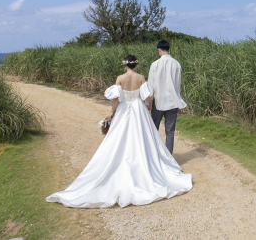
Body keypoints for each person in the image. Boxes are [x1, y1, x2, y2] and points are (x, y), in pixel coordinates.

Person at [45, 55, 192, 208]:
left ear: (125, 65)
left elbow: (116, 98)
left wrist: (112, 112)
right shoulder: (141, 78)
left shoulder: (120, 78)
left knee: (118, 138)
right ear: (136, 65)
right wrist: (149, 104)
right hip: (138, 109)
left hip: (124, 108)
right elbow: (146, 96)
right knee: (142, 137)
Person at [147, 40, 187, 154]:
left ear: (159, 50)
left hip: (158, 100)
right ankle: (169, 156)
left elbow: (150, 85)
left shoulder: (155, 64)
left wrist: (149, 102)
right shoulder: (177, 64)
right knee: (170, 131)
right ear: (169, 49)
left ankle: (153, 154)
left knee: (154, 129)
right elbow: (177, 84)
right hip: (173, 100)